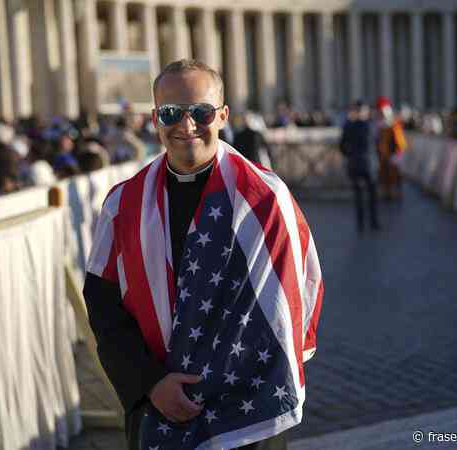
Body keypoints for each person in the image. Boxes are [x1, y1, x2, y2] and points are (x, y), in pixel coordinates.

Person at [83, 59, 323, 450]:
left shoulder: (268, 200)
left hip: (245, 408)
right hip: (156, 402)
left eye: (201, 112)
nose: (187, 125)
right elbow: (103, 305)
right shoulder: (122, 204)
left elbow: (299, 291)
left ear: (223, 115)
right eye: (171, 113)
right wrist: (149, 382)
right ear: (155, 117)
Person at [340, 101, 380, 232]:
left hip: (354, 163)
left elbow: (342, 146)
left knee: (358, 195)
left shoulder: (348, 126)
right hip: (370, 163)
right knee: (372, 195)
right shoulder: (372, 125)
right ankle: (374, 222)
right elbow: (377, 144)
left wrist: (349, 155)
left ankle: (360, 223)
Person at [375, 96, 407, 200]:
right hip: (383, 154)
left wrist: (398, 151)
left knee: (395, 174)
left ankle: (395, 193)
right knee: (384, 174)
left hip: (393, 153)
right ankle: (387, 193)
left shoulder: (394, 124)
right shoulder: (379, 125)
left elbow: (399, 140)